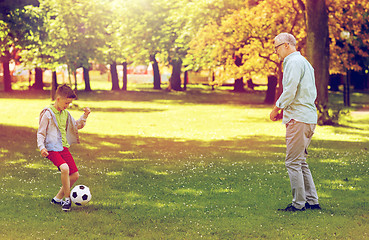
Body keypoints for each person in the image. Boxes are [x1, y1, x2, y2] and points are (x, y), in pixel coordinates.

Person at [270, 33, 321, 212]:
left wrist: (277, 108)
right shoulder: (305, 62)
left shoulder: (292, 62)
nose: (275, 51)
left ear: (286, 45)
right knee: (300, 162)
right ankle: (312, 201)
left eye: (276, 47)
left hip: (298, 118)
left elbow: (290, 90)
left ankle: (298, 204)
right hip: (308, 117)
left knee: (292, 162)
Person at [37, 84, 91, 212]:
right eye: (66, 103)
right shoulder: (48, 114)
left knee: (75, 175)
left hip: (63, 147)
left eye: (69, 104)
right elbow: (41, 132)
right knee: (65, 168)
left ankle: (57, 198)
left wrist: (85, 116)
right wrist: (42, 147)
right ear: (58, 99)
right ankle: (67, 199)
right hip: (51, 148)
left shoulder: (65, 113)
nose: (67, 106)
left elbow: (76, 125)